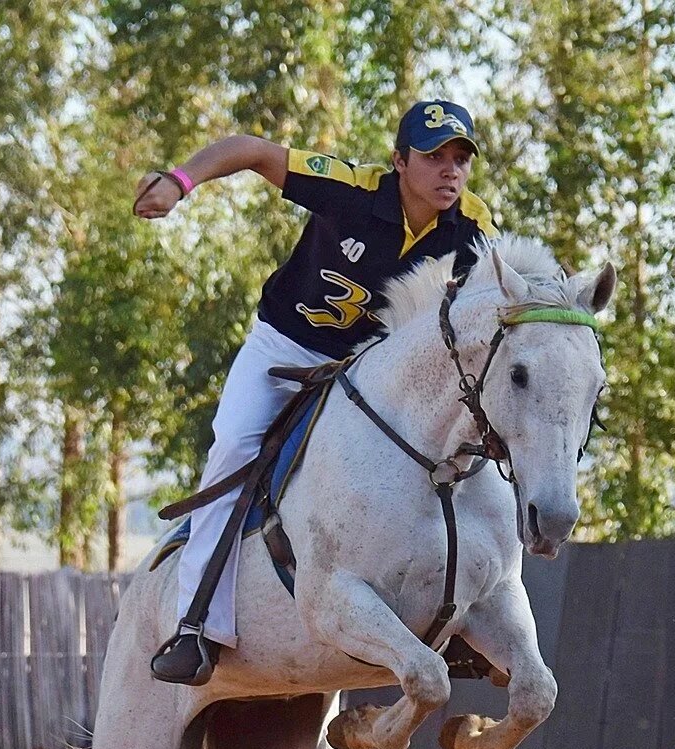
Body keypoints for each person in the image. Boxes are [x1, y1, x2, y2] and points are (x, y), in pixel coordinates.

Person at [135, 100, 499, 685]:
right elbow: (252, 150)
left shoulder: (474, 225)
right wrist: (179, 183)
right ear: (399, 161)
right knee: (232, 448)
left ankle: (456, 621)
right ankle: (195, 624)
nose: (449, 171)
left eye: (460, 158)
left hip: (369, 370)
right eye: (433, 157)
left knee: (454, 450)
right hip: (285, 351)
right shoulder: (350, 190)